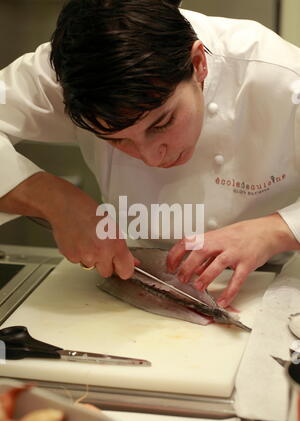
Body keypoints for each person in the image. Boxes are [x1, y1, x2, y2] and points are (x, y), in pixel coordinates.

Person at [0, 0, 300, 308]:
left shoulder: (279, 74)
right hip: (133, 277)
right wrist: (50, 197)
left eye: (162, 123)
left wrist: (279, 229)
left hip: (271, 285)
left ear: (198, 64)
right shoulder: (66, 74)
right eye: (116, 140)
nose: (152, 158)